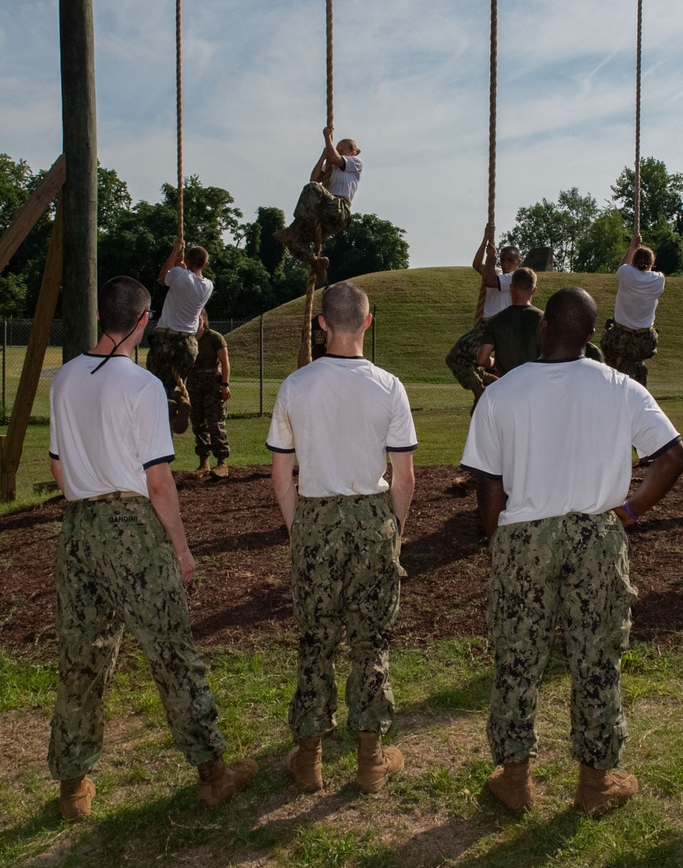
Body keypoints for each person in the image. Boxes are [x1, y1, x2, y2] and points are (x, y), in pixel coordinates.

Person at [461, 287, 683, 815]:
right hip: (596, 535)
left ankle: (515, 779)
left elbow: (489, 485)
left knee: (518, 657)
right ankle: (595, 784)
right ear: (593, 337)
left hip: (524, 534)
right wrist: (628, 513)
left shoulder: (501, 393)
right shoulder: (621, 387)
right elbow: (672, 456)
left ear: (544, 329)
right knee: (595, 660)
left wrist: (502, 542)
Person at [47, 276, 257, 821]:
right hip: (131, 528)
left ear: (102, 320)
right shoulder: (141, 386)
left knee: (82, 654)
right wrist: (182, 550)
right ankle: (213, 773)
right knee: (171, 651)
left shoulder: (64, 379)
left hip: (78, 527)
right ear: (142, 322)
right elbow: (159, 482)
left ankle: (73, 785)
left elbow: (55, 464)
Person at [267, 281, 417, 794]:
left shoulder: (295, 385)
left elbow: (280, 476)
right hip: (372, 517)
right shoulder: (389, 386)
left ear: (323, 323)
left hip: (313, 515)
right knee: (371, 639)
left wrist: (300, 530)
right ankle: (371, 760)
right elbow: (405, 477)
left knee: (315, 639)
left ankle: (309, 759)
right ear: (368, 322)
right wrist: (393, 530)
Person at [445, 225, 521, 404]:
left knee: (455, 357)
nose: (505, 263)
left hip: (496, 325)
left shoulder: (515, 278)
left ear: (519, 262)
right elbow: (476, 265)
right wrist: (485, 240)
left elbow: (488, 280)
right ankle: (488, 378)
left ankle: (480, 388)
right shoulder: (498, 273)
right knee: (471, 359)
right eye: (502, 259)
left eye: (510, 260)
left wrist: (492, 258)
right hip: (486, 325)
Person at [147, 238, 214, 435]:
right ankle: (180, 400)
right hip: (189, 344)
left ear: (188, 260)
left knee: (155, 381)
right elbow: (184, 280)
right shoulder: (208, 285)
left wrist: (175, 252)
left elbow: (161, 279)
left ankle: (169, 403)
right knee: (177, 381)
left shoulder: (178, 275)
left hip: (166, 339)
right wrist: (181, 268)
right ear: (206, 264)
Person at [274, 126, 362, 274]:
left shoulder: (355, 163)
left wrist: (327, 138)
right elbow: (314, 177)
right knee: (293, 240)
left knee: (313, 188)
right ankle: (315, 261)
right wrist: (323, 157)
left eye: (341, 150)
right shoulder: (330, 167)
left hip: (339, 209)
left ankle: (295, 226)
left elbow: (316, 183)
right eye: (337, 149)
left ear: (351, 153)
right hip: (325, 215)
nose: (337, 152)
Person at [600, 233, 664, 386]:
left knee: (613, 363)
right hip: (643, 340)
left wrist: (631, 247)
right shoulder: (658, 279)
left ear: (633, 262)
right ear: (652, 264)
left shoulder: (626, 273)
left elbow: (623, 267)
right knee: (635, 366)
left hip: (621, 336)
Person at [475, 267, 542, 377]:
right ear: (534, 290)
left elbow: (481, 359)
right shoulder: (544, 319)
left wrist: (492, 363)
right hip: (535, 382)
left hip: (506, 382)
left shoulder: (496, 320)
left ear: (511, 288)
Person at [189, 310, 231, 478]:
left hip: (212, 382)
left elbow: (225, 363)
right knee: (198, 422)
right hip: (194, 383)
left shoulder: (214, 337)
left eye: (198, 318)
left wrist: (225, 384)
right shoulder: (188, 340)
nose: (195, 321)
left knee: (215, 422)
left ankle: (222, 462)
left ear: (204, 319)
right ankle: (204, 463)